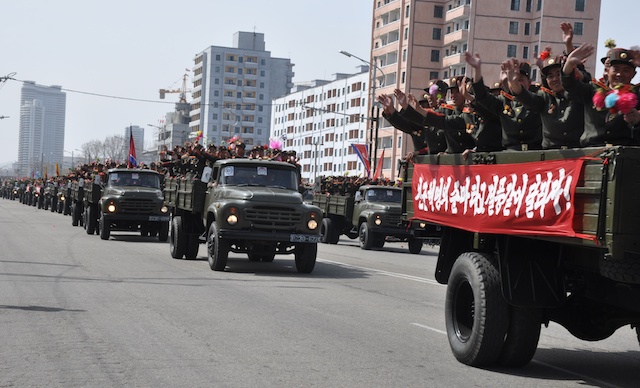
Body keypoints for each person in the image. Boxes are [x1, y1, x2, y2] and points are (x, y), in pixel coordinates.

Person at [562, 44, 640, 146]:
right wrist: (569, 63)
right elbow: (570, 85)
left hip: (626, 155)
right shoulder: (593, 89)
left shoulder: (637, 94)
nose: (619, 74)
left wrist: (638, 121)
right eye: (616, 69)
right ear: (607, 70)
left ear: (633, 74)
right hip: (592, 153)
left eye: (626, 70)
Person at [466, 52, 543, 151]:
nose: (517, 83)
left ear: (529, 82)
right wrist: (477, 70)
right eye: (514, 80)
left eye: (521, 80)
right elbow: (482, 96)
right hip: (510, 155)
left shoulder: (537, 99)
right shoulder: (503, 103)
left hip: (535, 154)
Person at [505, 54, 584, 149]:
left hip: (578, 154)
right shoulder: (544, 97)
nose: (555, 79)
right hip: (550, 156)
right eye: (550, 76)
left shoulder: (578, 93)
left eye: (558, 74)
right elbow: (528, 99)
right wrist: (514, 83)